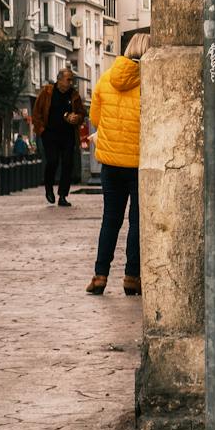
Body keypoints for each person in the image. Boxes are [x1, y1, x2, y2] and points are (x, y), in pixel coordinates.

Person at [87, 31, 147, 296]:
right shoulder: (150, 81)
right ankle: (132, 277)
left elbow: (96, 118)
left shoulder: (105, 79)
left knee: (110, 219)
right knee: (136, 220)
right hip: (138, 163)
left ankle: (100, 276)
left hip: (111, 164)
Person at [32, 67, 85, 207]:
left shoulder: (74, 95)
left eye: (72, 80)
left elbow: (82, 113)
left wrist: (77, 118)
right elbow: (36, 112)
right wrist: (42, 130)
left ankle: (63, 195)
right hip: (50, 134)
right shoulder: (47, 92)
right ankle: (48, 187)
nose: (71, 82)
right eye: (68, 79)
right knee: (53, 161)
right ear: (60, 79)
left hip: (68, 136)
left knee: (68, 164)